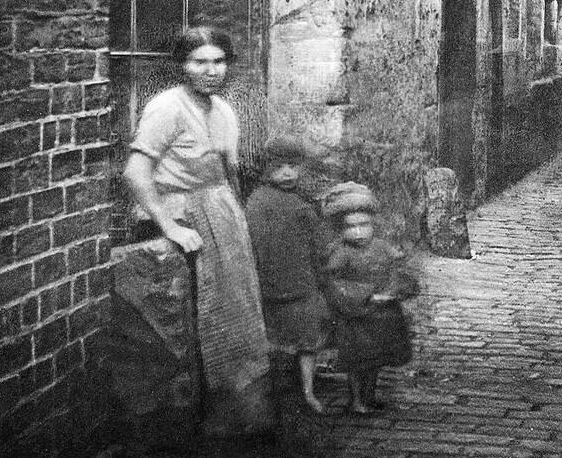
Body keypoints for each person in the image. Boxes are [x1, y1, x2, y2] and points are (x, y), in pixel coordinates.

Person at [123, 26, 273, 438]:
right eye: (199, 62)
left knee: (236, 310)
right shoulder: (166, 107)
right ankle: (190, 418)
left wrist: (237, 221)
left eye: (218, 61)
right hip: (180, 212)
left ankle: (238, 414)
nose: (210, 71)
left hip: (221, 213)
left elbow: (230, 174)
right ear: (182, 66)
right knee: (195, 315)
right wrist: (168, 225)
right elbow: (136, 174)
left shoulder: (224, 110)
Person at [245, 136, 337, 415]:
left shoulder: (297, 203)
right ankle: (289, 390)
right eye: (280, 167)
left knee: (303, 340)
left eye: (293, 167)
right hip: (273, 283)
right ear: (267, 168)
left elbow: (318, 244)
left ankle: (307, 389)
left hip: (299, 283)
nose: (288, 173)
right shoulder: (259, 203)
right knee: (284, 339)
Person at [322, 182, 419, 414]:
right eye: (350, 227)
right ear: (341, 229)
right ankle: (356, 399)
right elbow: (333, 282)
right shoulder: (341, 252)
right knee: (357, 361)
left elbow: (399, 268)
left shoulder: (381, 247)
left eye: (363, 225)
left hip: (381, 316)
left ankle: (370, 396)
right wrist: (364, 295)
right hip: (358, 317)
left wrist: (395, 289)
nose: (358, 232)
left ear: (372, 224)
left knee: (374, 359)